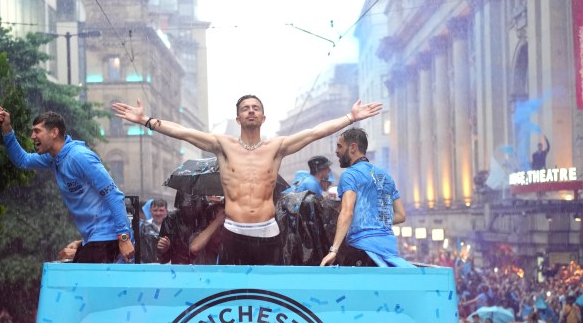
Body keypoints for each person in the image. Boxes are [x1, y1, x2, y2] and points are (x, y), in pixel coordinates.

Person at [111, 95, 382, 265]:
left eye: (255, 108)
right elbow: (183, 132)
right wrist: (145, 120)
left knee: (270, 297)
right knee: (230, 295)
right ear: (238, 117)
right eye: (245, 108)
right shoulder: (223, 145)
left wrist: (351, 117)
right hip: (234, 233)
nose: (251, 111)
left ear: (263, 117)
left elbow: (314, 132)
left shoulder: (276, 147)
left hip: (268, 233)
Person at [0, 104, 134, 263]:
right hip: (94, 239)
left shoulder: (79, 157)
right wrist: (6, 128)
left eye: (37, 131)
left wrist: (123, 237)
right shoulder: (53, 158)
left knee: (82, 286)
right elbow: (22, 160)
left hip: (108, 237)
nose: (32, 136)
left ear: (54, 132)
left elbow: (114, 195)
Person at [319, 127, 407, 267]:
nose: (336, 151)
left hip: (362, 251)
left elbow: (347, 212)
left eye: (340, 146)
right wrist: (375, 220)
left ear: (353, 147)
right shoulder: (386, 176)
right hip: (389, 251)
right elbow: (401, 215)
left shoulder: (350, 175)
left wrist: (333, 250)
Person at [139, 198, 168, 264]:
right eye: (155, 210)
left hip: (168, 266)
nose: (158, 213)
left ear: (166, 211)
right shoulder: (143, 227)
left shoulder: (172, 226)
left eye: (161, 210)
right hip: (149, 266)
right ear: (150, 211)